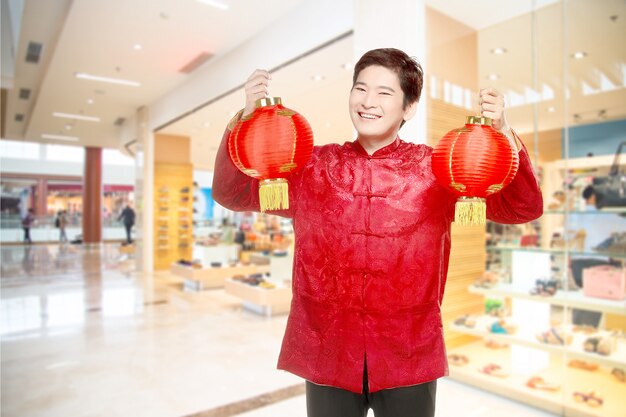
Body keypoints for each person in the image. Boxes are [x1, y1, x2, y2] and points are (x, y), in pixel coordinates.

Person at [213, 48, 543, 417]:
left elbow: (521, 208)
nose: (368, 102)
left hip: (408, 354)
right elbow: (233, 192)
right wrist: (243, 119)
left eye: (385, 93)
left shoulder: (438, 169)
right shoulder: (311, 167)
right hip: (327, 351)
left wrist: (503, 135)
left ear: (409, 108)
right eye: (360, 89)